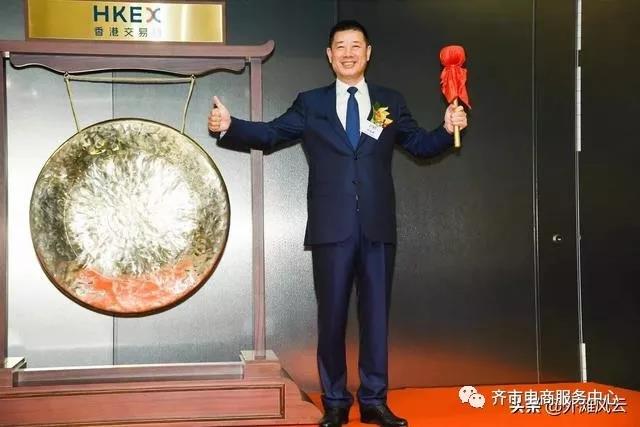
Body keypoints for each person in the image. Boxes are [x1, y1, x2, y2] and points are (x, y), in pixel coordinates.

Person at [208, 20, 468, 427]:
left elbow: (420, 144)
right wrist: (231, 126)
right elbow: (273, 133)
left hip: (378, 227)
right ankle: (334, 401)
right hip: (331, 228)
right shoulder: (311, 103)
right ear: (330, 56)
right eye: (340, 46)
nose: (348, 53)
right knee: (331, 318)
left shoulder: (389, 102)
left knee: (376, 318)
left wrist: (447, 128)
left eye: (355, 46)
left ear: (368, 53)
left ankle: (374, 401)